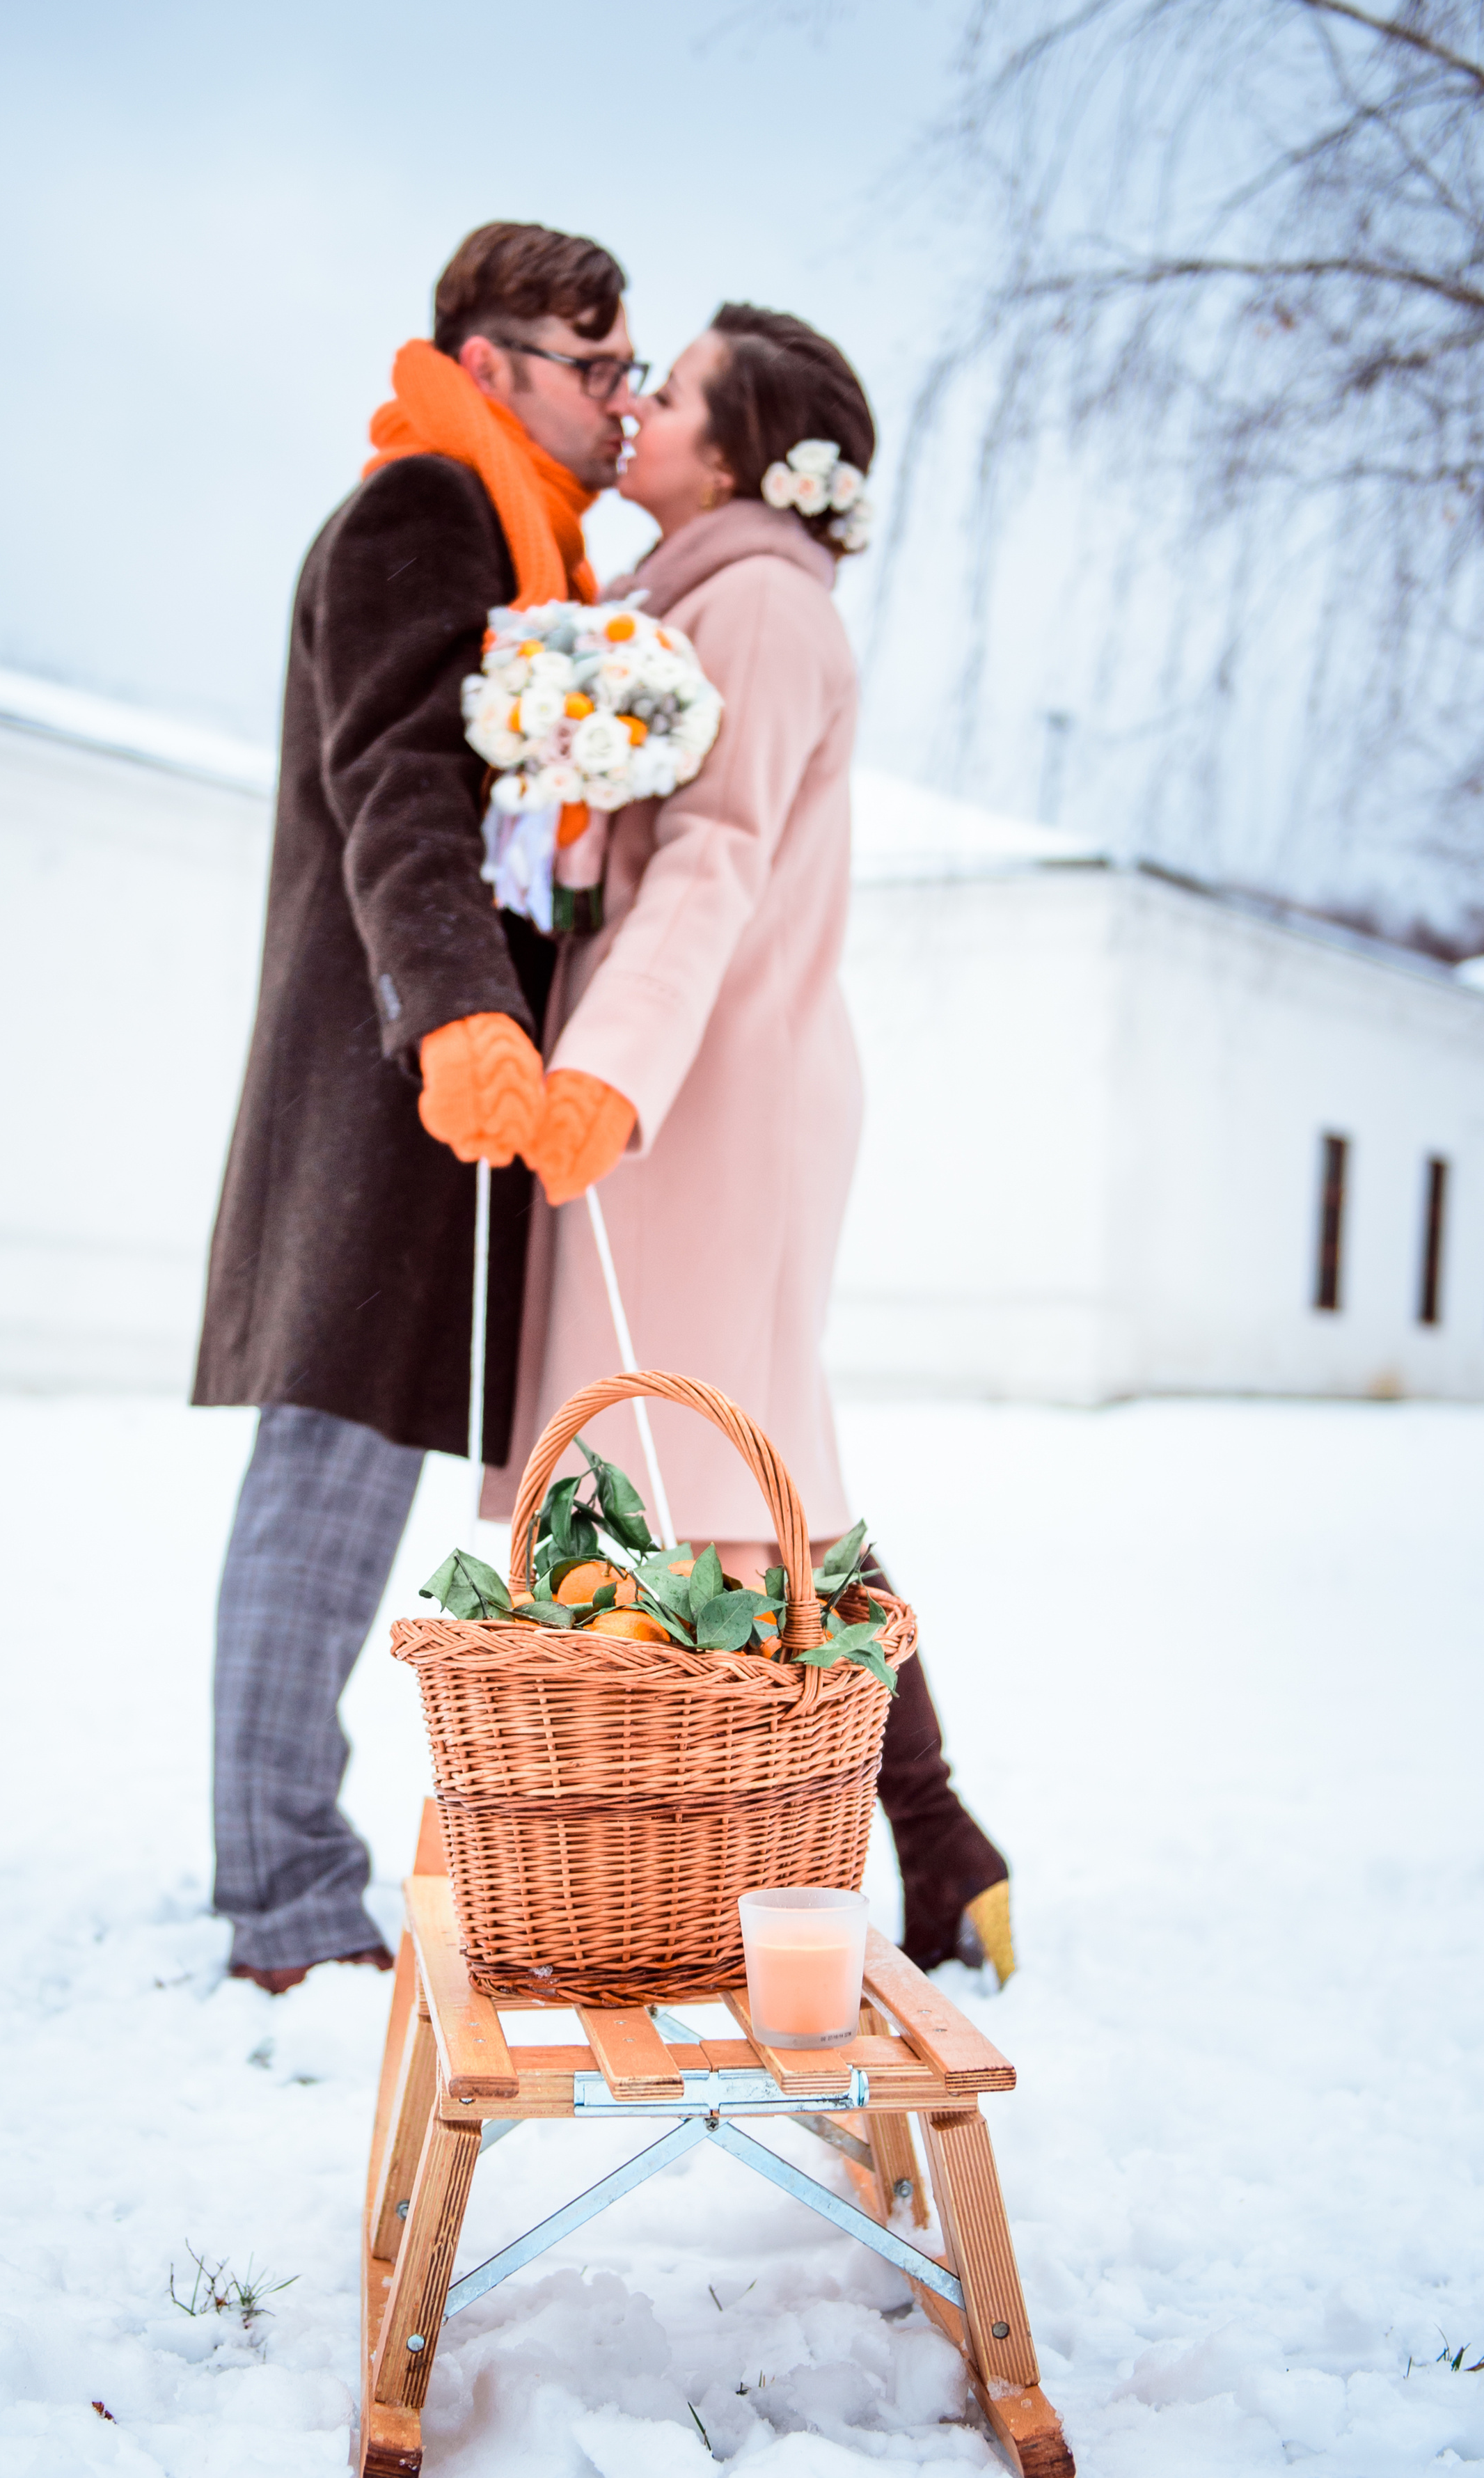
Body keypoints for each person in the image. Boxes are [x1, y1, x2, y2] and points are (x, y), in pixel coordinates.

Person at [490, 305, 1015, 1980]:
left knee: (719, 1477)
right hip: (685, 1077)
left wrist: (609, 1075)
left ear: (732, 449)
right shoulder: (694, 603)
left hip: (714, 1087)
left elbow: (711, 864)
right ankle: (925, 1842)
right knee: (744, 1470)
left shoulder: (765, 614)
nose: (633, 410)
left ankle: (723, 1856)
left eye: (672, 391)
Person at [193, 221, 645, 1991]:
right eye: (590, 363)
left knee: (354, 1471)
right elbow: (394, 771)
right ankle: (286, 1902)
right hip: (399, 1084)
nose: (619, 398)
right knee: (329, 1471)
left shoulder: (522, 533)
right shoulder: (422, 512)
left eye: (627, 366)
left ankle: (305, 1876)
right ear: (489, 366)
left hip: (448, 1090)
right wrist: (459, 1011)